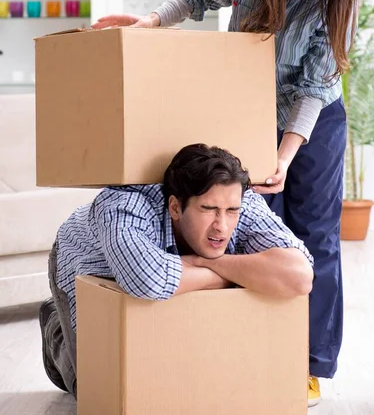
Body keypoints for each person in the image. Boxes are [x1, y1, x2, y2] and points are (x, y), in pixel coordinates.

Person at [92, 0, 359, 406]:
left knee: (316, 235)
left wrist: (284, 155)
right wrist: (152, 22)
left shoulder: (337, 1)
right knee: (252, 228)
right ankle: (251, 346)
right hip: (248, 106)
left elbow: (314, 86)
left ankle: (308, 364)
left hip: (313, 119)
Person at [39, 144, 313, 399]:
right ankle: (55, 325)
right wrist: (244, 271)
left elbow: (299, 276)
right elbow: (147, 280)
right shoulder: (123, 205)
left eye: (231, 211)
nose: (222, 226)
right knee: (95, 393)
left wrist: (208, 263)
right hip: (86, 262)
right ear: (175, 207)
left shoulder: (242, 201)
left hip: (161, 263)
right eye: (208, 210)